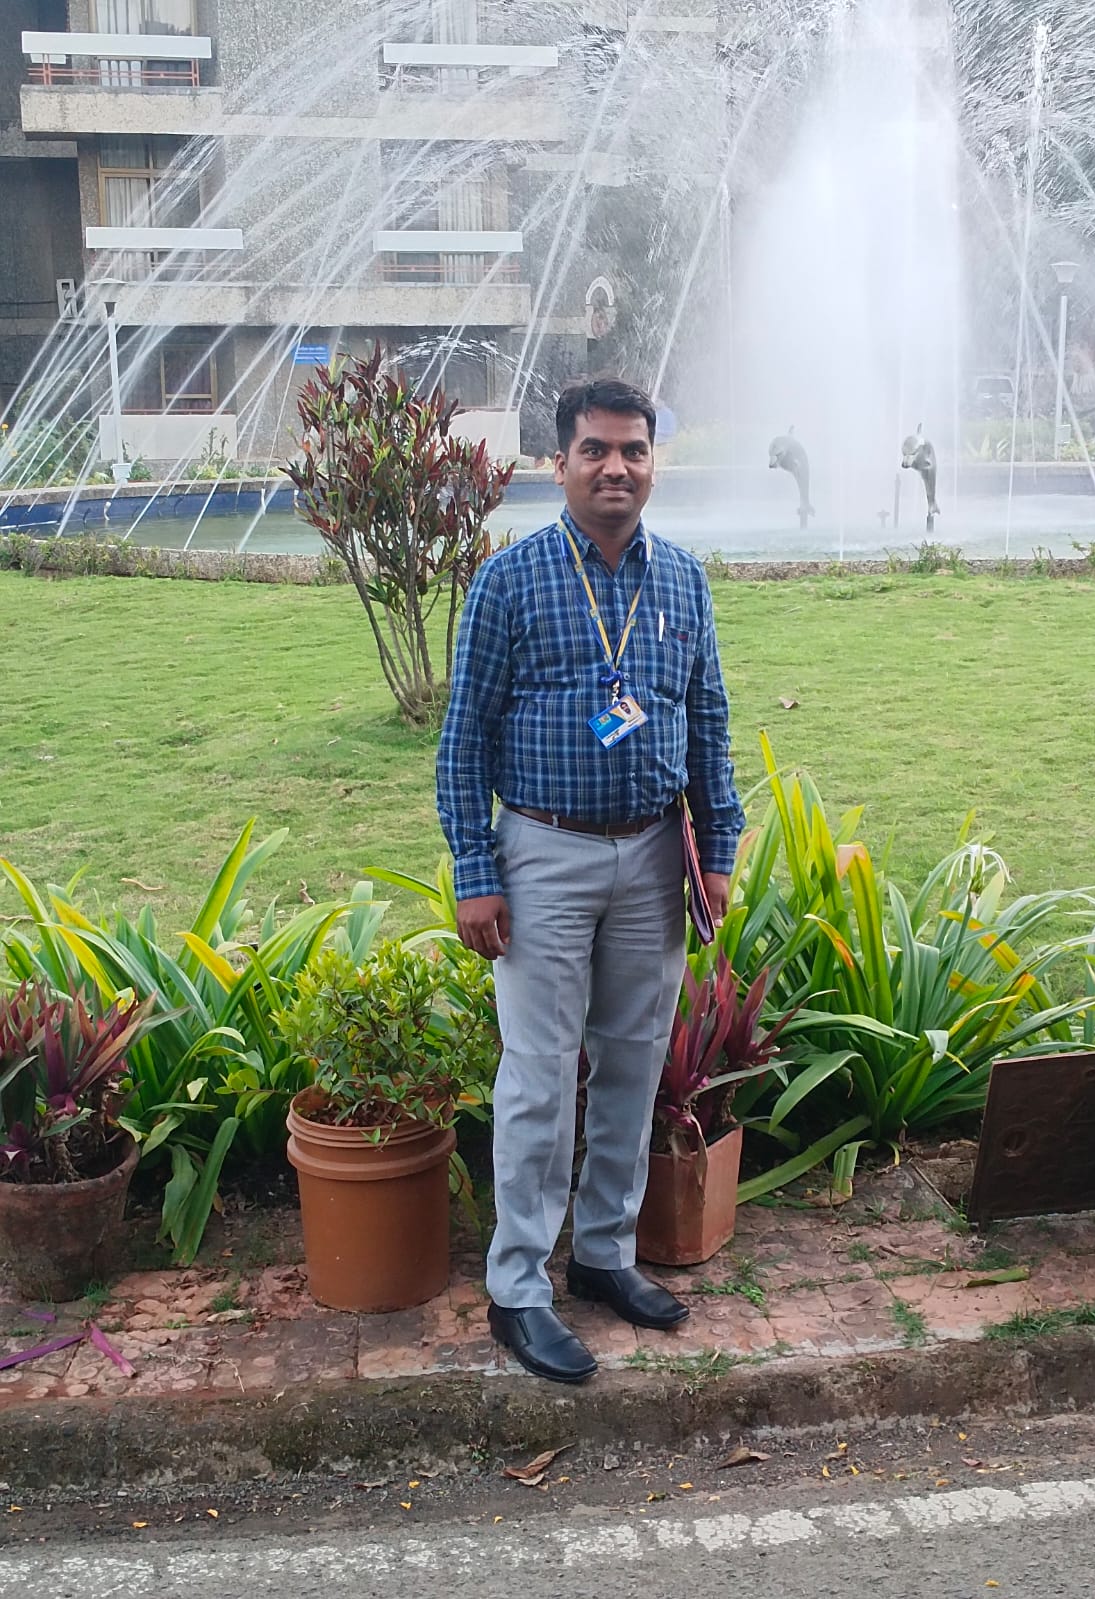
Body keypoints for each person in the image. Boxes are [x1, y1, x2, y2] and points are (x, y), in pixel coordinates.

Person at [435, 377, 744, 1384]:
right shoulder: (511, 581)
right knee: (537, 1075)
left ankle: (604, 1253)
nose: (617, 467)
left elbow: (709, 724)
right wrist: (477, 871)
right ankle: (517, 1286)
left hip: (654, 855)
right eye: (596, 450)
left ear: (654, 462)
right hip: (545, 854)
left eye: (634, 450)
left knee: (632, 1063)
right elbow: (461, 742)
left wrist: (719, 850)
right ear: (559, 462)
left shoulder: (682, 580)